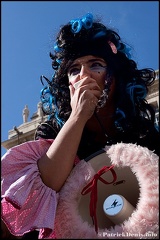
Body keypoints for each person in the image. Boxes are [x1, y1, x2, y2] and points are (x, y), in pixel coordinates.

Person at [1, 13, 159, 239]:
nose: (83, 76)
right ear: (66, 84)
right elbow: (43, 188)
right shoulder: (53, 131)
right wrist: (77, 117)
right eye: (74, 70)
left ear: (115, 76)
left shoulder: (143, 131)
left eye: (96, 65)